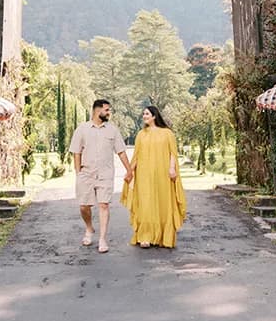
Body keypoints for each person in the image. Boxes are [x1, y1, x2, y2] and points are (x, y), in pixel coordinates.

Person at [68, 98, 133, 253]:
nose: (109, 112)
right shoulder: (82, 129)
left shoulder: (112, 130)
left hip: (105, 174)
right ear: (97, 111)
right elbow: (76, 152)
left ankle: (102, 239)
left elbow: (121, 152)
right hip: (86, 173)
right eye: (107, 110)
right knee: (84, 206)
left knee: (104, 205)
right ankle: (89, 228)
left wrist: (129, 170)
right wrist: (78, 173)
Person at [121, 105, 187, 249]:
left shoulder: (167, 133)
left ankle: (165, 236)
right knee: (146, 203)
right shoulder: (141, 134)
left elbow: (172, 153)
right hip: (144, 175)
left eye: (147, 114)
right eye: (143, 114)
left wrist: (171, 168)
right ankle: (145, 236)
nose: (144, 116)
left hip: (163, 174)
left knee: (163, 203)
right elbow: (136, 156)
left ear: (154, 116)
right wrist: (129, 171)